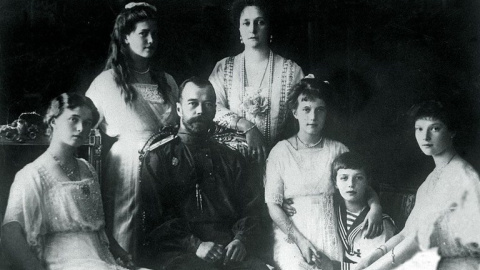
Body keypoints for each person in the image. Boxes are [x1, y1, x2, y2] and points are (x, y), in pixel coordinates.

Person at [137, 77, 268, 270]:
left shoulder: (232, 158)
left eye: (208, 105)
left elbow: (252, 208)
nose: (200, 111)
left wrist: (241, 240)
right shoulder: (159, 158)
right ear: (179, 109)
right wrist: (195, 245)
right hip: (179, 251)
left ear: (214, 110)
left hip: (228, 250)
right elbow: (156, 220)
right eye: (193, 104)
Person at [85, 2, 179, 254]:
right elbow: (85, 126)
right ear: (125, 37)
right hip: (127, 168)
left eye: (155, 34)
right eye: (143, 33)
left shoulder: (167, 82)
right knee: (129, 236)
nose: (151, 40)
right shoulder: (107, 82)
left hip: (167, 165)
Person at [1, 93, 134, 270]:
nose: (81, 128)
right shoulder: (31, 175)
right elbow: (10, 233)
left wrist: (119, 251)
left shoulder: (87, 169)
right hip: (62, 262)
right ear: (53, 121)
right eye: (73, 119)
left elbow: (97, 224)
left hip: (101, 258)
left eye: (87, 123)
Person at [264, 77, 384, 270]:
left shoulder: (337, 150)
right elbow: (273, 205)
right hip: (292, 235)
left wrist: (376, 207)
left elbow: (363, 185)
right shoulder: (281, 152)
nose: (313, 117)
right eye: (306, 109)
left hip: (330, 229)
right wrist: (301, 242)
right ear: (295, 112)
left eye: (320, 109)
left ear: (327, 113)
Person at [356, 100, 480, 269]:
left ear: (452, 131)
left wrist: (378, 267)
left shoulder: (464, 176)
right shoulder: (429, 181)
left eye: (435, 128)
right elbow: (407, 233)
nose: (425, 137)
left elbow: (420, 238)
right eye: (419, 129)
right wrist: (373, 257)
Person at [209, 0, 304, 163]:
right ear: (239, 28)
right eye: (246, 23)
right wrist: (246, 126)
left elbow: (303, 115)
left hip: (279, 159)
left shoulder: (291, 70)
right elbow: (212, 106)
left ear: (269, 27)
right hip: (232, 162)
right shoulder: (224, 68)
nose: (252, 29)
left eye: (260, 22)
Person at [331, 152, 396, 270]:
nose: (351, 184)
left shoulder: (377, 222)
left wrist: (335, 267)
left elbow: (376, 266)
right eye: (344, 178)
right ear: (335, 182)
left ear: (367, 182)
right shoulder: (334, 211)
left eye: (358, 178)